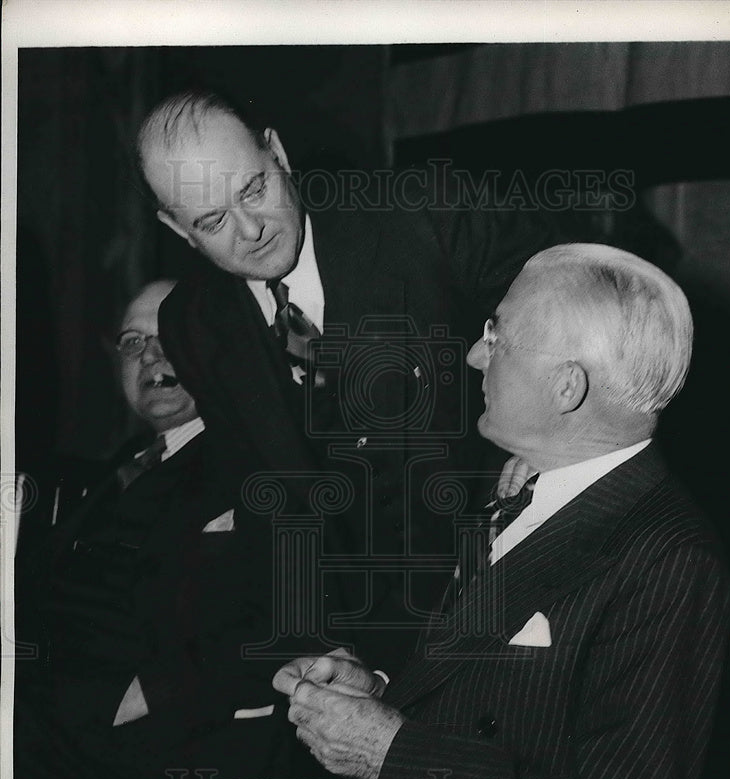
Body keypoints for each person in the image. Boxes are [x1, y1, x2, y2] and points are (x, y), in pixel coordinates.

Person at [33, 244, 730, 779]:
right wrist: (376, 695)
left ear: (566, 387)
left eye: (497, 336)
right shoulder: (521, 491)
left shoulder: (666, 558)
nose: (470, 356)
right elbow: (496, 711)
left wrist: (390, 751)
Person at [134, 90, 580, 680]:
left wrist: (546, 446)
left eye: (253, 189)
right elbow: (270, 505)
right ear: (176, 227)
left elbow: (585, 316)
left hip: (518, 587)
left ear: (278, 154)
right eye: (211, 221)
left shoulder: (428, 213)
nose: (250, 229)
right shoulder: (191, 324)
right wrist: (320, 648)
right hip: (371, 632)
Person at [14, 280, 301, 779]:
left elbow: (291, 617)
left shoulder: (261, 464)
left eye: (171, 337)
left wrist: (150, 693)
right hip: (48, 710)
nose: (150, 355)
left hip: (161, 740)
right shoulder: (116, 472)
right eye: (132, 341)